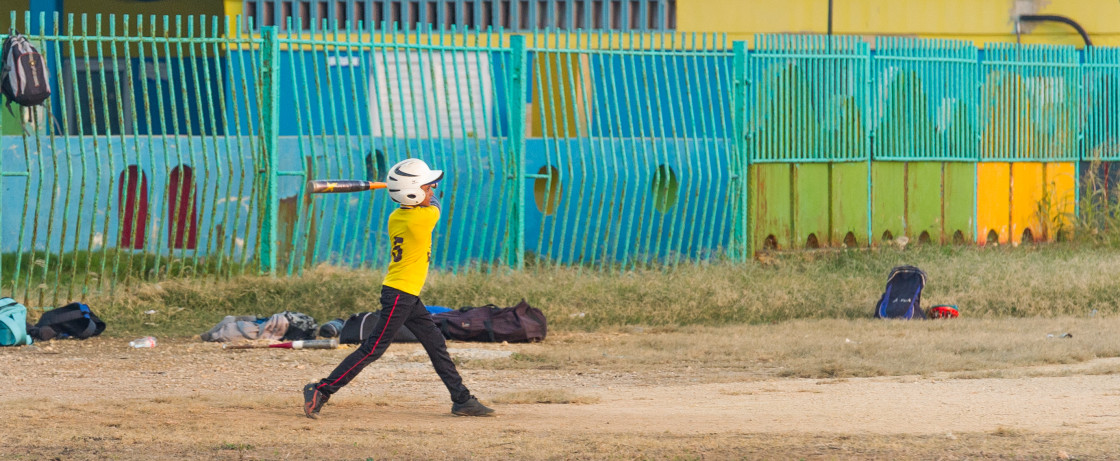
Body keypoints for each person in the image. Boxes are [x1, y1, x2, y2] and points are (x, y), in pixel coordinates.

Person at [302, 158, 494, 418]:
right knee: (373, 349)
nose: (433, 191)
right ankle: (322, 389)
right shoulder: (423, 219)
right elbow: (436, 205)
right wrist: (417, 187)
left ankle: (462, 399)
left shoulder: (398, 215)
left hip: (407, 295)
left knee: (436, 343)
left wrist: (414, 186)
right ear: (413, 193)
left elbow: (426, 199)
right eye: (428, 187)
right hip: (400, 296)